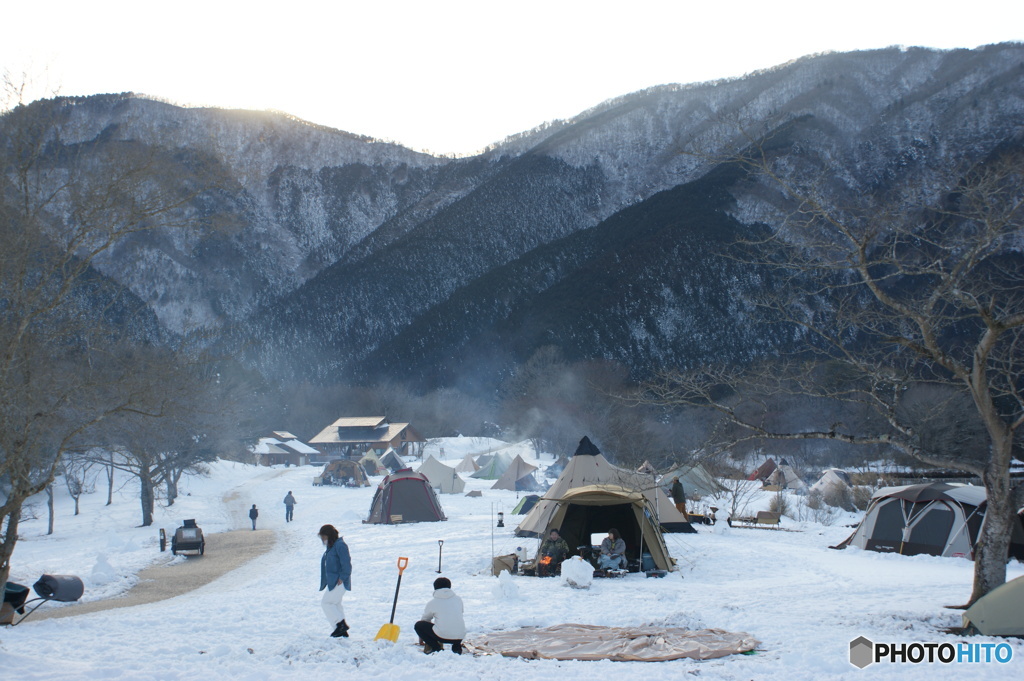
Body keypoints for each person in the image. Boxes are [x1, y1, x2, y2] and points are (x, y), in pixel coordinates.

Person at [414, 577, 465, 654]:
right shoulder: (458, 599)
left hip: (442, 636)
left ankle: (436, 648)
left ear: (435, 588)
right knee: (453, 623)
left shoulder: (432, 602)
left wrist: (422, 638)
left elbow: (425, 620)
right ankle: (457, 647)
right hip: (460, 636)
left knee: (418, 625)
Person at [318, 524, 352, 638]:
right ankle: (341, 631)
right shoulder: (332, 546)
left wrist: (342, 577)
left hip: (340, 581)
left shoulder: (340, 545)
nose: (323, 540)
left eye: (323, 537)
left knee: (326, 603)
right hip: (333, 581)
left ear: (329, 535)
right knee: (336, 604)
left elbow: (346, 564)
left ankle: (340, 625)